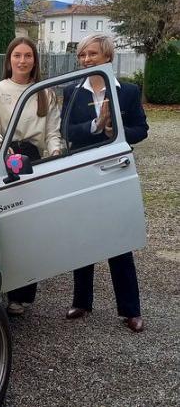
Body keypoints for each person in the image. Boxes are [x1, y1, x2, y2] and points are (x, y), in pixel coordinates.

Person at [62, 34, 149, 332]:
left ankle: (130, 310)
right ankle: (81, 302)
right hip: (83, 171)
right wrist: (96, 125)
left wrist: (117, 130)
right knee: (83, 239)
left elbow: (142, 129)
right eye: (83, 54)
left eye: (92, 54)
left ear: (107, 57)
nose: (86, 59)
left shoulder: (127, 92)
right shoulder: (72, 92)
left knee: (119, 240)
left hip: (115, 172)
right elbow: (68, 133)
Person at [0, 36, 63, 316]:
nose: (23, 61)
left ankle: (23, 294)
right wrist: (2, 150)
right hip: (2, 158)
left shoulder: (46, 93)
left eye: (28, 56)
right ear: (9, 59)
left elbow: (53, 132)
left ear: (34, 60)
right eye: (17, 55)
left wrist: (54, 155)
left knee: (29, 228)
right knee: (2, 224)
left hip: (33, 160)